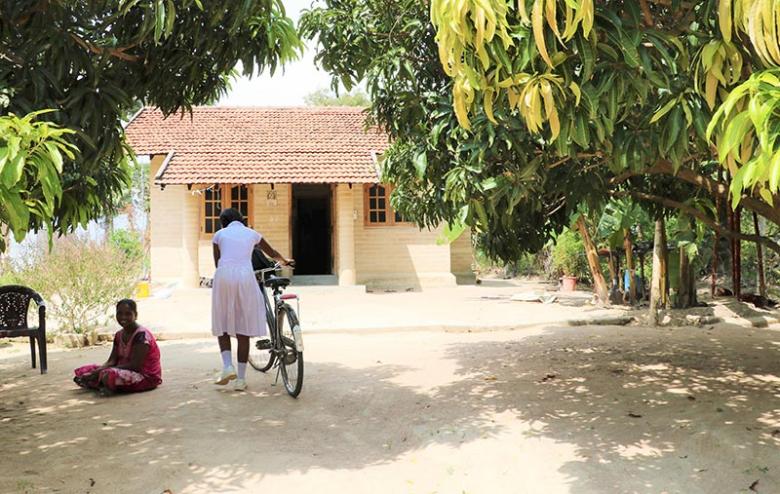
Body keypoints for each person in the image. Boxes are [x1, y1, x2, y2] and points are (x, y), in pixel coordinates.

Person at [212, 208, 293, 391]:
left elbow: (217, 262)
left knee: (222, 322)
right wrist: (284, 261)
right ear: (241, 219)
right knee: (243, 328)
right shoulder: (252, 234)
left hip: (224, 275)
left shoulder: (219, 235)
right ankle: (241, 380)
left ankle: (227, 367)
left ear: (223, 222)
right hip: (245, 277)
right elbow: (272, 253)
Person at [73, 299, 162, 396]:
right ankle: (104, 383)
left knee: (108, 374)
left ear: (135, 315)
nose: (123, 317)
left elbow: (135, 365)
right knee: (85, 371)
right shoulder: (119, 335)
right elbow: (111, 361)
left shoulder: (142, 336)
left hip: (145, 376)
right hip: (123, 370)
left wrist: (100, 372)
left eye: (128, 314)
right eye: (119, 313)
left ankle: (103, 383)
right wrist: (97, 371)